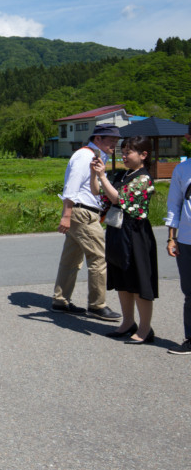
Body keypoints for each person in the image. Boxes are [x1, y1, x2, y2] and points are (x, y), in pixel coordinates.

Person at [50, 124, 122, 321]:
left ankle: (60, 300)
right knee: (98, 257)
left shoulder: (95, 156)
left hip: (82, 211)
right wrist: (66, 214)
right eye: (111, 141)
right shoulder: (85, 156)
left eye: (116, 142)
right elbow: (72, 185)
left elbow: (94, 188)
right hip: (81, 212)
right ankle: (97, 305)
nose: (114, 145)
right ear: (97, 138)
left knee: (71, 259)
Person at [91, 136, 158, 343]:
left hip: (136, 233)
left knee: (138, 282)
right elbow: (98, 193)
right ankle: (128, 322)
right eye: (123, 151)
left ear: (143, 155)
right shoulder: (123, 174)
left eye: (129, 152)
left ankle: (145, 329)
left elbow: (118, 198)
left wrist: (102, 176)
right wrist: (95, 175)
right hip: (117, 231)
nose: (124, 155)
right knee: (122, 280)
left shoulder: (144, 178)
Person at [165, 121, 191, 356]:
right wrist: (171, 238)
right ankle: (190, 338)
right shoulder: (182, 170)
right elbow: (174, 204)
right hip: (186, 239)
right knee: (190, 292)